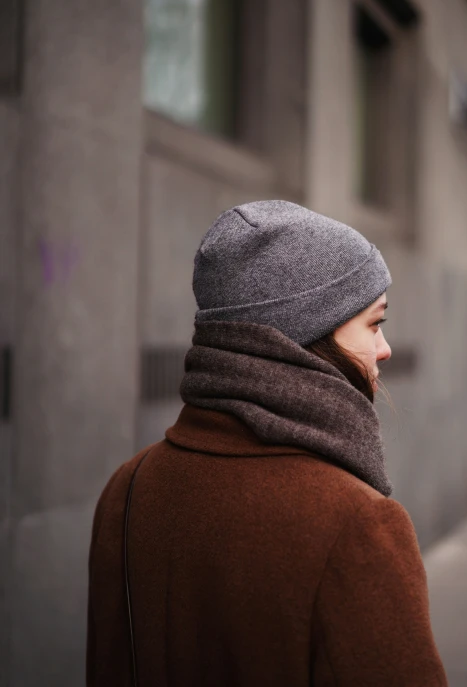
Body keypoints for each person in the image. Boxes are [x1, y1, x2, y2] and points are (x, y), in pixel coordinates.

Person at [87, 200, 448, 686]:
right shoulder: (357, 525)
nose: (383, 348)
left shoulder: (126, 492)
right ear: (304, 335)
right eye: (374, 323)